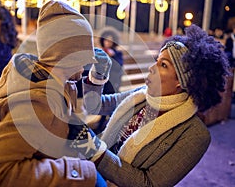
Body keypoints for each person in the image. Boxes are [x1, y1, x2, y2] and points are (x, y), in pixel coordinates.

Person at [68, 24, 230, 186]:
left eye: (163, 65)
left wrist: (94, 150)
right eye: (156, 61)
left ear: (181, 82)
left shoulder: (195, 135)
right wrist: (97, 77)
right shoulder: (142, 95)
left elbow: (149, 183)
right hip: (91, 173)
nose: (151, 68)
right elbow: (95, 106)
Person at [0, 0, 112, 186]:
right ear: (66, 55)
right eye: (83, 54)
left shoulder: (58, 83)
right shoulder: (38, 102)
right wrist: (77, 170)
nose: (87, 62)